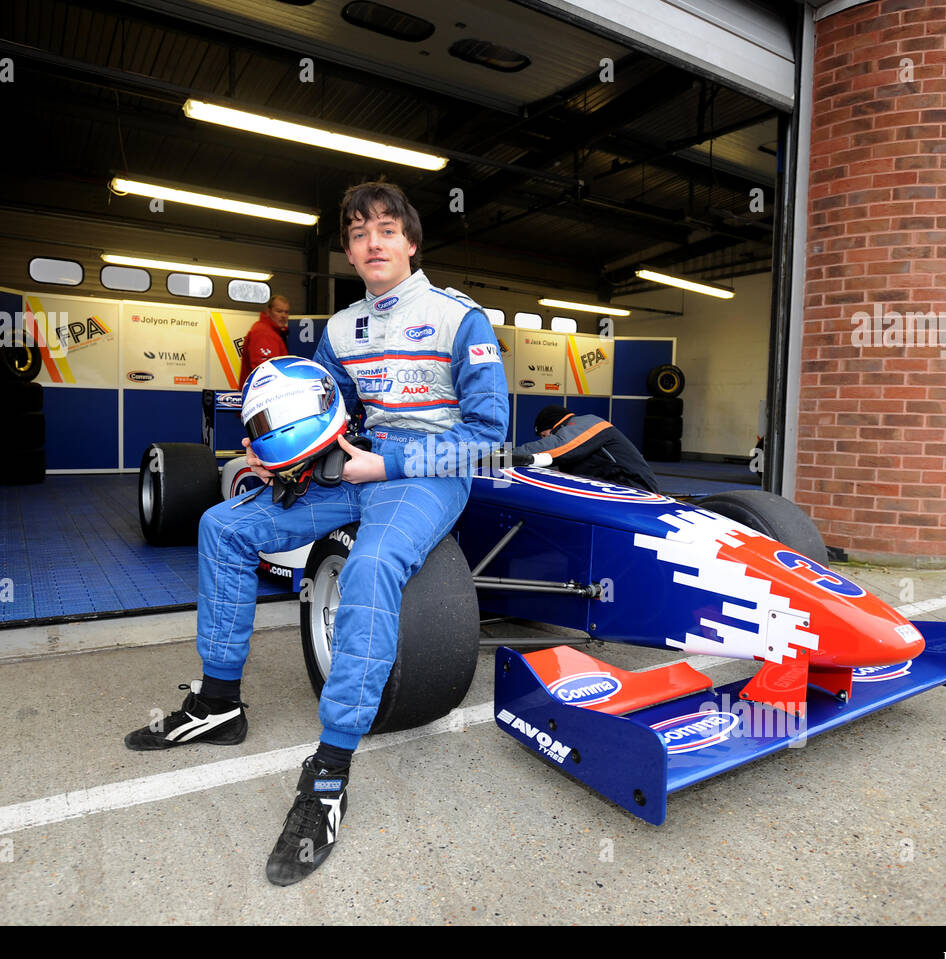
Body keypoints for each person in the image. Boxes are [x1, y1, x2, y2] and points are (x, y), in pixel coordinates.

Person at [124, 181, 510, 886]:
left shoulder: (462, 319)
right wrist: (283, 457)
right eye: (358, 233)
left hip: (425, 477)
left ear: (411, 241)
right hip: (350, 467)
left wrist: (383, 461)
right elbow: (322, 409)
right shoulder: (340, 329)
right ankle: (217, 703)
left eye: (385, 230)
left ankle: (329, 771)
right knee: (222, 527)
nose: (371, 243)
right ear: (349, 249)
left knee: (367, 569)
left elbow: (489, 439)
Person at [514, 405, 660, 493]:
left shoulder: (586, 423)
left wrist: (503, 455)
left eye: (544, 435)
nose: (543, 440)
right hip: (618, 487)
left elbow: (554, 447)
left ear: (554, 425)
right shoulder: (576, 433)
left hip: (637, 490)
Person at [238, 294, 290, 383]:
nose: (283, 316)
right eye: (279, 311)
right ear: (268, 311)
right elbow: (264, 372)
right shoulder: (263, 333)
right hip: (262, 393)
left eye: (286, 312)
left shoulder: (274, 333)